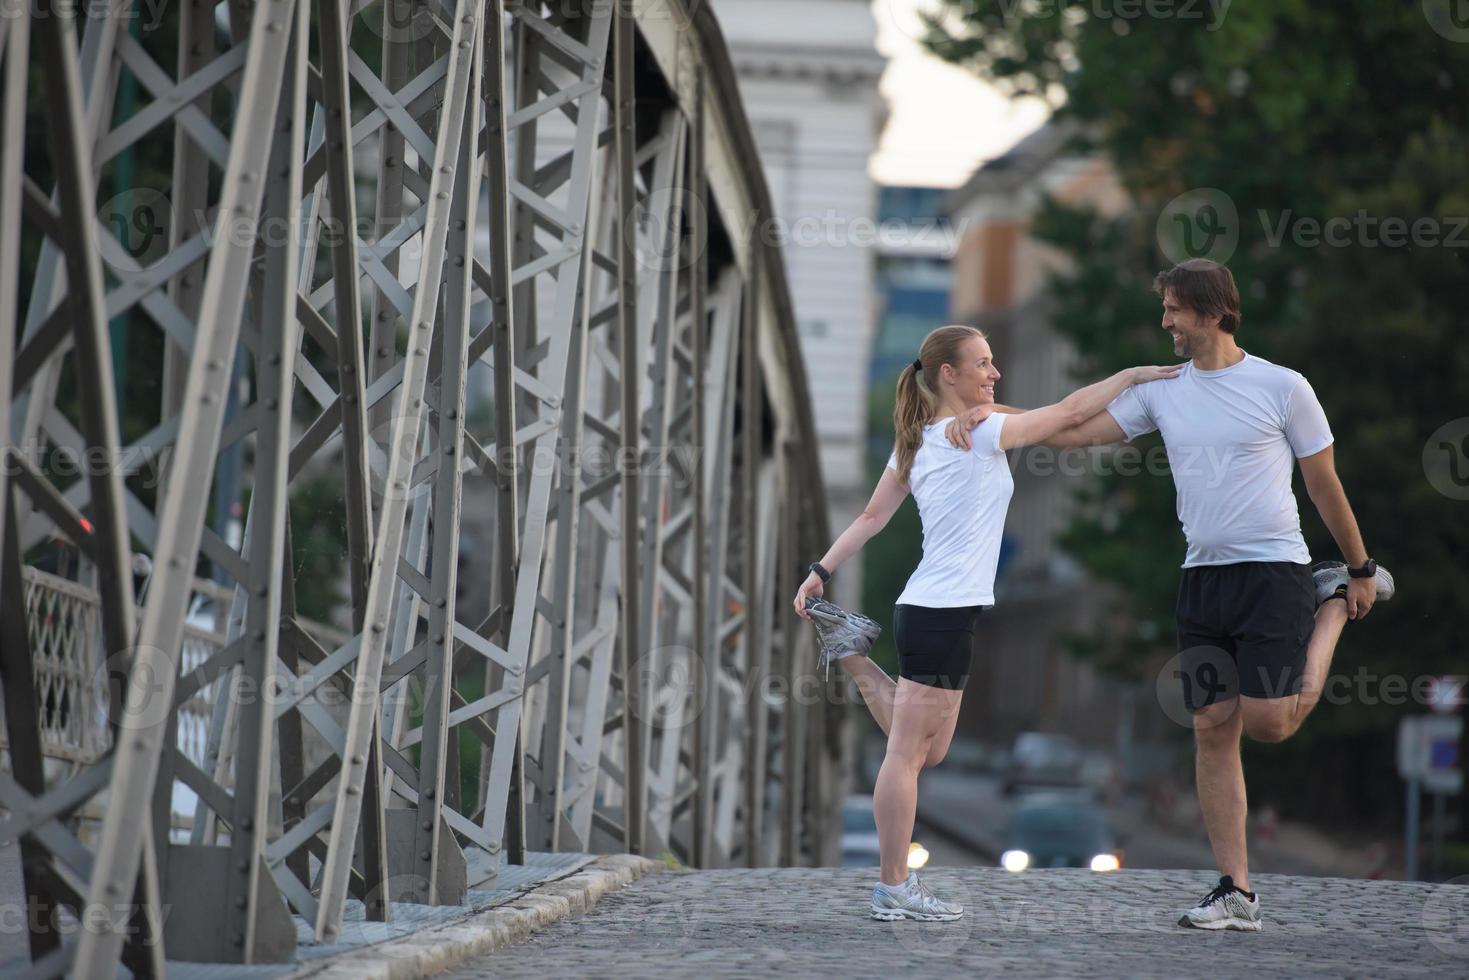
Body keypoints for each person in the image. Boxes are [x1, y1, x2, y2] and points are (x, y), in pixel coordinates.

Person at [945, 258, 1395, 931]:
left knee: (1269, 724)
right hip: (1201, 578)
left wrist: (1358, 568)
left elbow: (1323, 485)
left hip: (1273, 571)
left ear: (1211, 313)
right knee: (1212, 731)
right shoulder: (1162, 389)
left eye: (1173, 311)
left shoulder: (1282, 387)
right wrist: (988, 415)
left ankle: (1327, 603)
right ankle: (1234, 891)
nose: (1164, 324)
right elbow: (1070, 431)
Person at [791, 323, 1179, 922]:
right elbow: (1070, 412)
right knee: (906, 753)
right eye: (983, 364)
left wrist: (821, 568)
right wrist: (1132, 376)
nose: (993, 372)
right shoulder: (983, 433)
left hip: (936, 610)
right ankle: (894, 887)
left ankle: (848, 649)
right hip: (939, 611)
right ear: (949, 374)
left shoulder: (920, 440)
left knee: (932, 748)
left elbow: (872, 516)